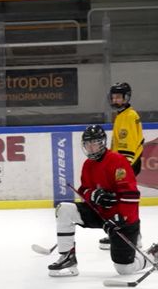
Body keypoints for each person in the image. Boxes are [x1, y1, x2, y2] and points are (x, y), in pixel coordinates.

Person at [48, 124, 157, 277]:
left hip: (122, 219)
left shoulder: (117, 161)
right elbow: (83, 190)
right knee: (64, 209)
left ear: (102, 143)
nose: (91, 147)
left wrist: (121, 218)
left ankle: (153, 253)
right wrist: (93, 195)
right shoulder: (88, 165)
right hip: (99, 214)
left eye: (94, 143)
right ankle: (67, 258)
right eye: (87, 144)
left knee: (124, 269)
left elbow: (131, 195)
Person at [99, 82, 144, 250]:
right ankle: (125, 234)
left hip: (126, 165)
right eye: (114, 97)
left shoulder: (129, 116)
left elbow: (128, 146)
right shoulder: (122, 115)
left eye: (119, 97)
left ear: (127, 97)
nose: (116, 99)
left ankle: (133, 236)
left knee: (125, 202)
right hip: (123, 164)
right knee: (120, 202)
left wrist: (121, 169)